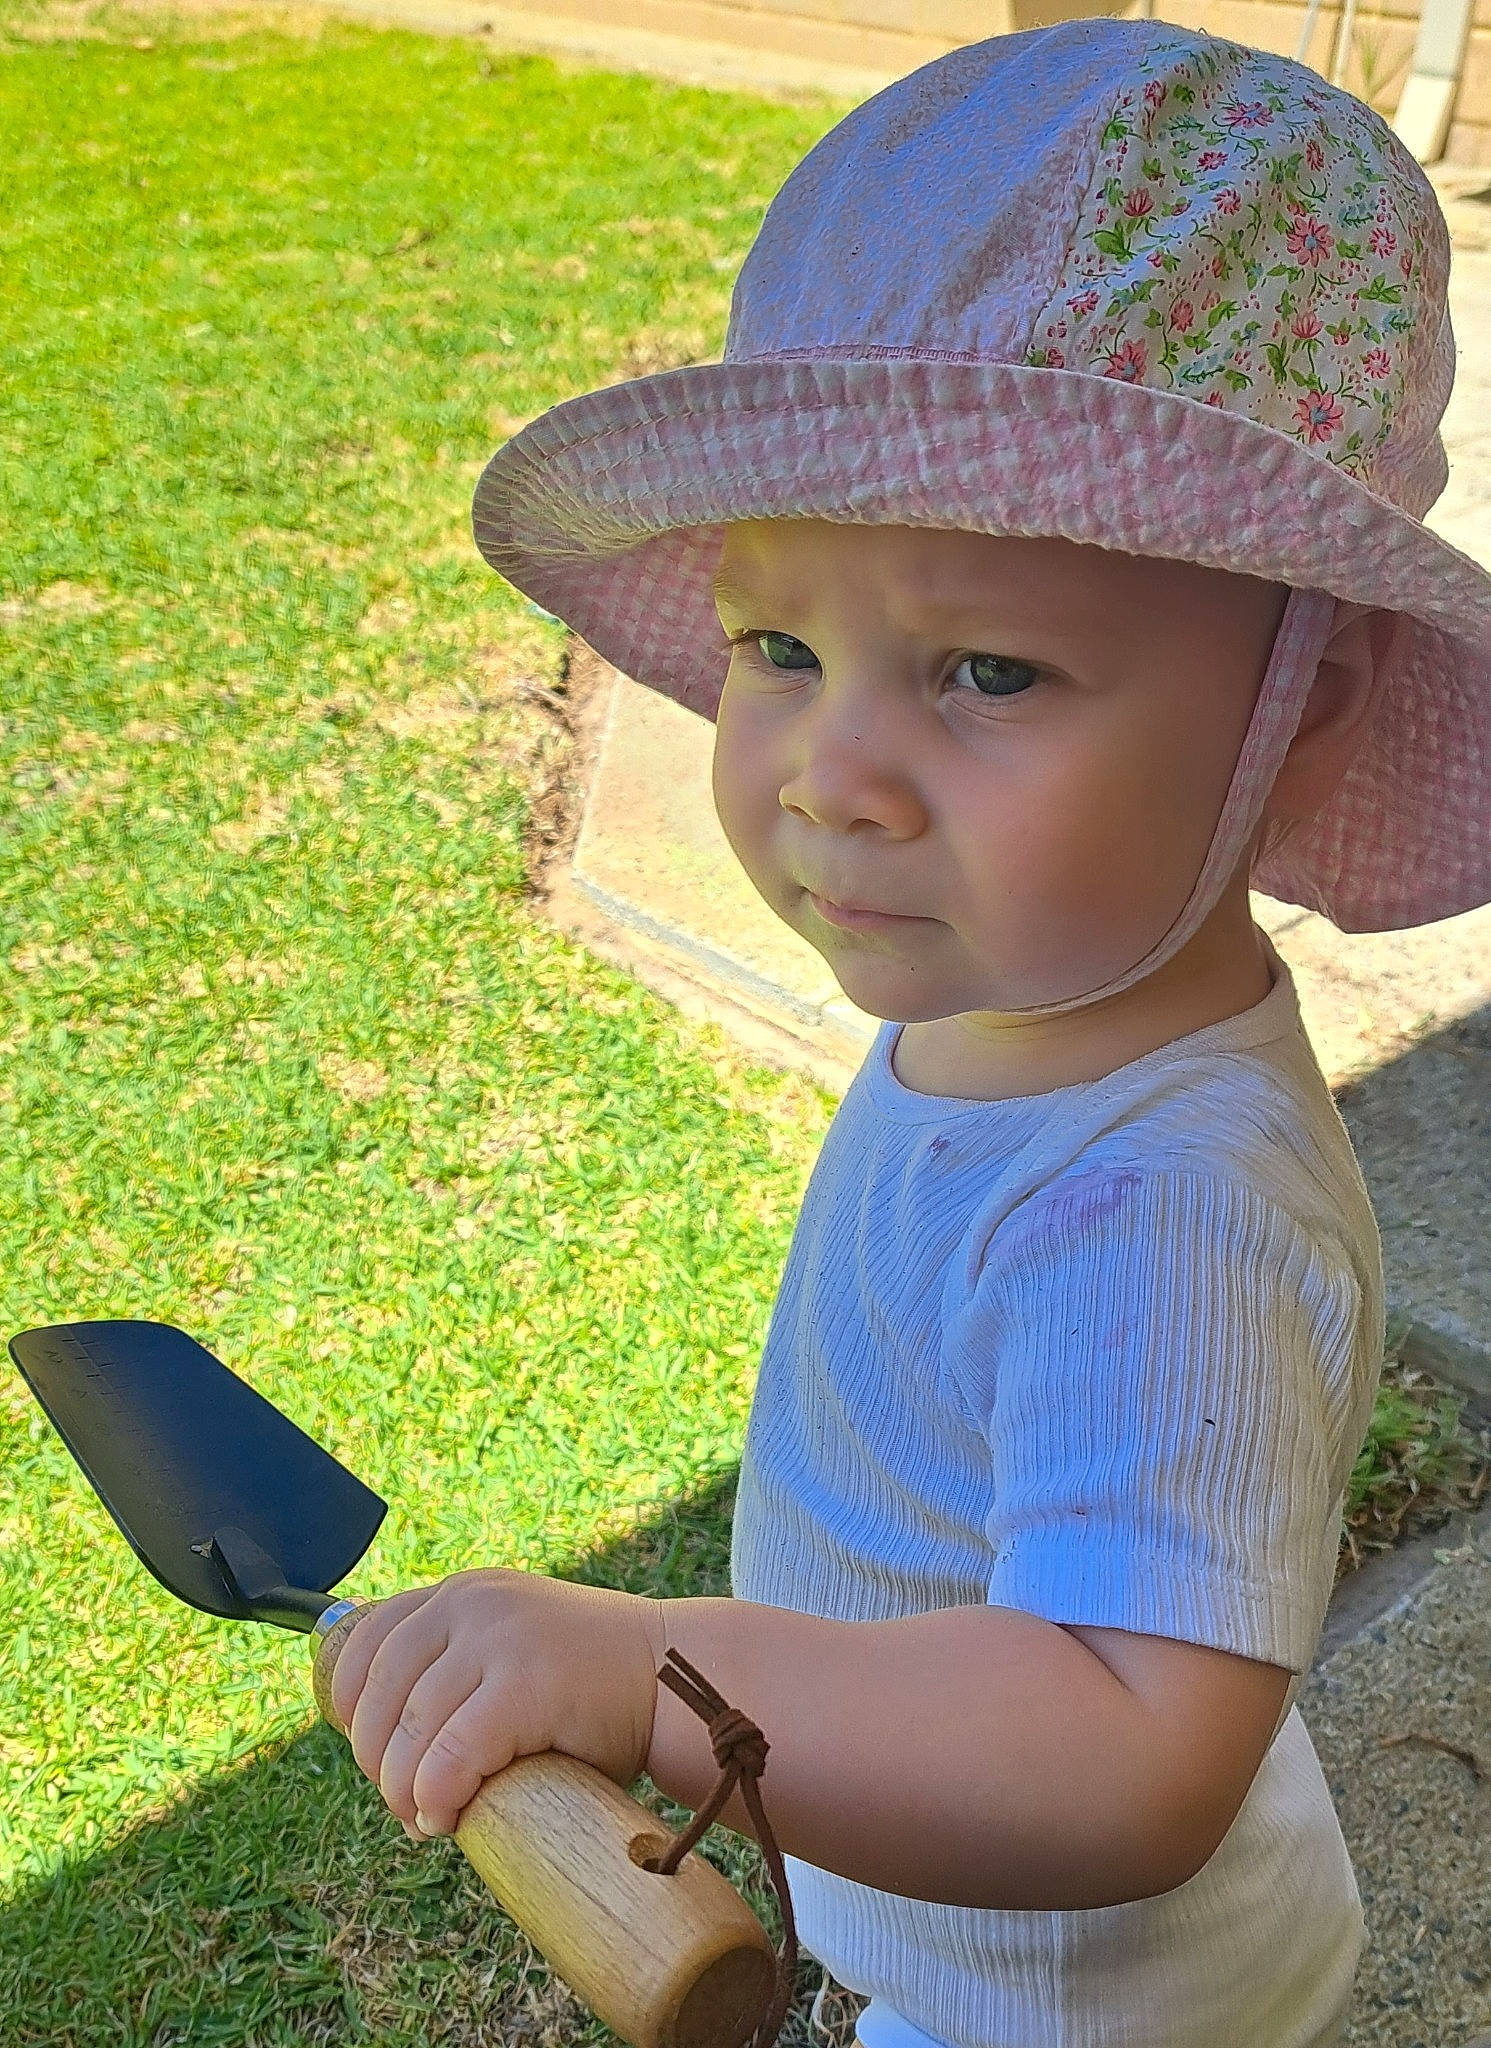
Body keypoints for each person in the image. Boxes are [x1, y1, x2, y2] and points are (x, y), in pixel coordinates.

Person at [328, 19, 1491, 2047]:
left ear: (1299, 700)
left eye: (981, 666)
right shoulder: (1027, 1009)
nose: (830, 771)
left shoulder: (1158, 1200)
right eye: (780, 642)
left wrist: (644, 1676)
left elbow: (1126, 1743)